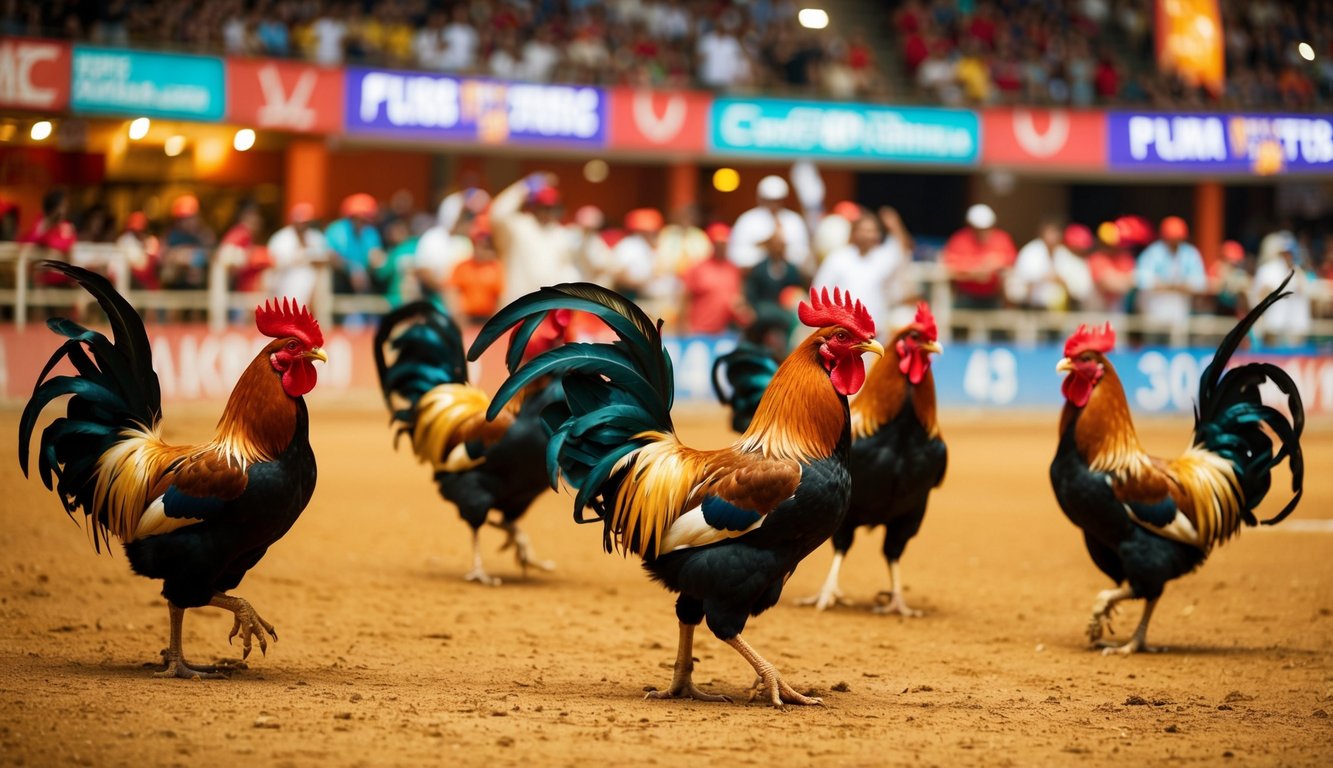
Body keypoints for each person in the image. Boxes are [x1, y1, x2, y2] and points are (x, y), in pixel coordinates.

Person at [813, 206, 916, 332]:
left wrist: (896, 225)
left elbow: (903, 252)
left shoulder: (883, 259)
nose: (868, 235)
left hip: (875, 333)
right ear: (854, 232)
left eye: (872, 231)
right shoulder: (838, 258)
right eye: (864, 230)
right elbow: (819, 290)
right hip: (842, 333)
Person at [490, 173, 578, 304]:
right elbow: (497, 213)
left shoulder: (561, 234)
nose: (549, 212)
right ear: (534, 206)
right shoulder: (519, 225)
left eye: (553, 208)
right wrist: (524, 186)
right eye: (544, 207)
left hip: (548, 304)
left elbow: (566, 270)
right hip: (517, 302)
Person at [416, 188, 488, 303]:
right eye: (463, 214)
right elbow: (423, 271)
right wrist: (447, 290)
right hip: (436, 302)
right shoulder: (432, 238)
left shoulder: (466, 242)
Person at [1135, 216, 1206, 330]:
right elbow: (1142, 280)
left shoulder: (1190, 253)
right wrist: (1173, 286)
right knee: (1154, 341)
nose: (1174, 241)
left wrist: (1171, 286)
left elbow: (1199, 283)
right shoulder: (1153, 252)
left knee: (1178, 339)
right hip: (1154, 307)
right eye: (1171, 238)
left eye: (1177, 238)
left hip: (1180, 310)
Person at [729, 175, 812, 273]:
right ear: (760, 199)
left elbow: (804, 255)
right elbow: (735, 255)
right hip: (756, 277)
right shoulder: (747, 220)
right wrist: (765, 247)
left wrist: (783, 250)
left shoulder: (794, 221)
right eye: (769, 200)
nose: (774, 205)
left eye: (777, 200)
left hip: (788, 277)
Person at [1006, 219, 1094, 311]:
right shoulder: (1030, 252)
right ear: (1042, 234)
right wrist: (1045, 278)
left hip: (1060, 310)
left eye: (1056, 233)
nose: (1053, 237)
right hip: (1031, 307)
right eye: (1050, 232)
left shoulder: (1064, 254)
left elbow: (1079, 287)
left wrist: (1062, 281)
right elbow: (1021, 283)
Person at [941, 203, 1016, 310]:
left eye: (986, 228)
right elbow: (948, 268)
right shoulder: (959, 240)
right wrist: (973, 273)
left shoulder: (1001, 239)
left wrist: (995, 264)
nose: (983, 232)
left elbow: (1011, 263)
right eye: (978, 229)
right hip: (965, 298)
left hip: (994, 298)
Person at [681, 223, 747, 335]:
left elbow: (737, 299)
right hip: (698, 330)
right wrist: (683, 326)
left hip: (725, 333)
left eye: (724, 243)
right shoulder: (698, 268)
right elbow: (685, 299)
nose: (721, 247)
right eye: (717, 243)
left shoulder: (733, 269)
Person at [1251, 231, 1311, 347]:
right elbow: (1258, 298)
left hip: (1295, 329)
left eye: (1291, 252)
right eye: (1286, 252)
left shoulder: (1299, 272)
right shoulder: (1267, 270)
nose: (1289, 255)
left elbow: (1304, 293)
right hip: (1272, 327)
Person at [266, 203, 328, 306]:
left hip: (312, 291)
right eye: (299, 222)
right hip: (285, 286)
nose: (302, 225)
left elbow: (323, 258)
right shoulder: (281, 238)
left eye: (305, 222)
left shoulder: (316, 237)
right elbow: (274, 263)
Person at [446, 215, 505, 323]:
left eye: (487, 247)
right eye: (479, 245)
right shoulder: (461, 266)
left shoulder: (496, 267)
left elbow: (500, 297)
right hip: (466, 319)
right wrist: (457, 315)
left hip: (488, 319)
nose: (483, 250)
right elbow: (451, 292)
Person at [324, 193, 386, 295]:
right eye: (362, 217)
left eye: (368, 217)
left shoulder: (370, 232)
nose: (365, 221)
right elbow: (331, 255)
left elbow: (375, 255)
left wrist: (377, 261)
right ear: (352, 216)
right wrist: (352, 269)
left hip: (365, 279)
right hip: (341, 278)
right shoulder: (337, 229)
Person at [21, 189, 78, 284]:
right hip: (42, 281)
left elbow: (68, 247)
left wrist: (55, 252)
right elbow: (26, 244)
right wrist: (45, 226)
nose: (64, 210)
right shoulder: (40, 223)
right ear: (53, 206)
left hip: (63, 279)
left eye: (65, 206)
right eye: (62, 206)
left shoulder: (66, 227)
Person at [161, 194, 215, 290]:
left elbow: (212, 255)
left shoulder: (205, 235)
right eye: (181, 219)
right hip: (176, 288)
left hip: (201, 290)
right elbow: (164, 266)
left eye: (189, 218)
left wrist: (195, 257)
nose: (185, 222)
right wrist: (178, 256)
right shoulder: (172, 235)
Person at [1085, 221, 1138, 314]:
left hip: (1118, 308)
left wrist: (1116, 280)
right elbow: (1107, 284)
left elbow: (1132, 281)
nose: (1108, 247)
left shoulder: (1124, 258)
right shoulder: (1096, 259)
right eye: (1104, 243)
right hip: (1097, 309)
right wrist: (1121, 280)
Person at [218, 203, 269, 293]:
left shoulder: (249, 235)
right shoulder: (240, 233)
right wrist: (254, 256)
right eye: (254, 216)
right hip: (236, 289)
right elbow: (225, 256)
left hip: (248, 289)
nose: (258, 221)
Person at [116, 211, 160, 290]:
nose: (137, 232)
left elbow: (149, 267)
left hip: (148, 285)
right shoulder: (124, 240)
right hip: (128, 282)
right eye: (134, 230)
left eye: (140, 229)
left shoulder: (151, 241)